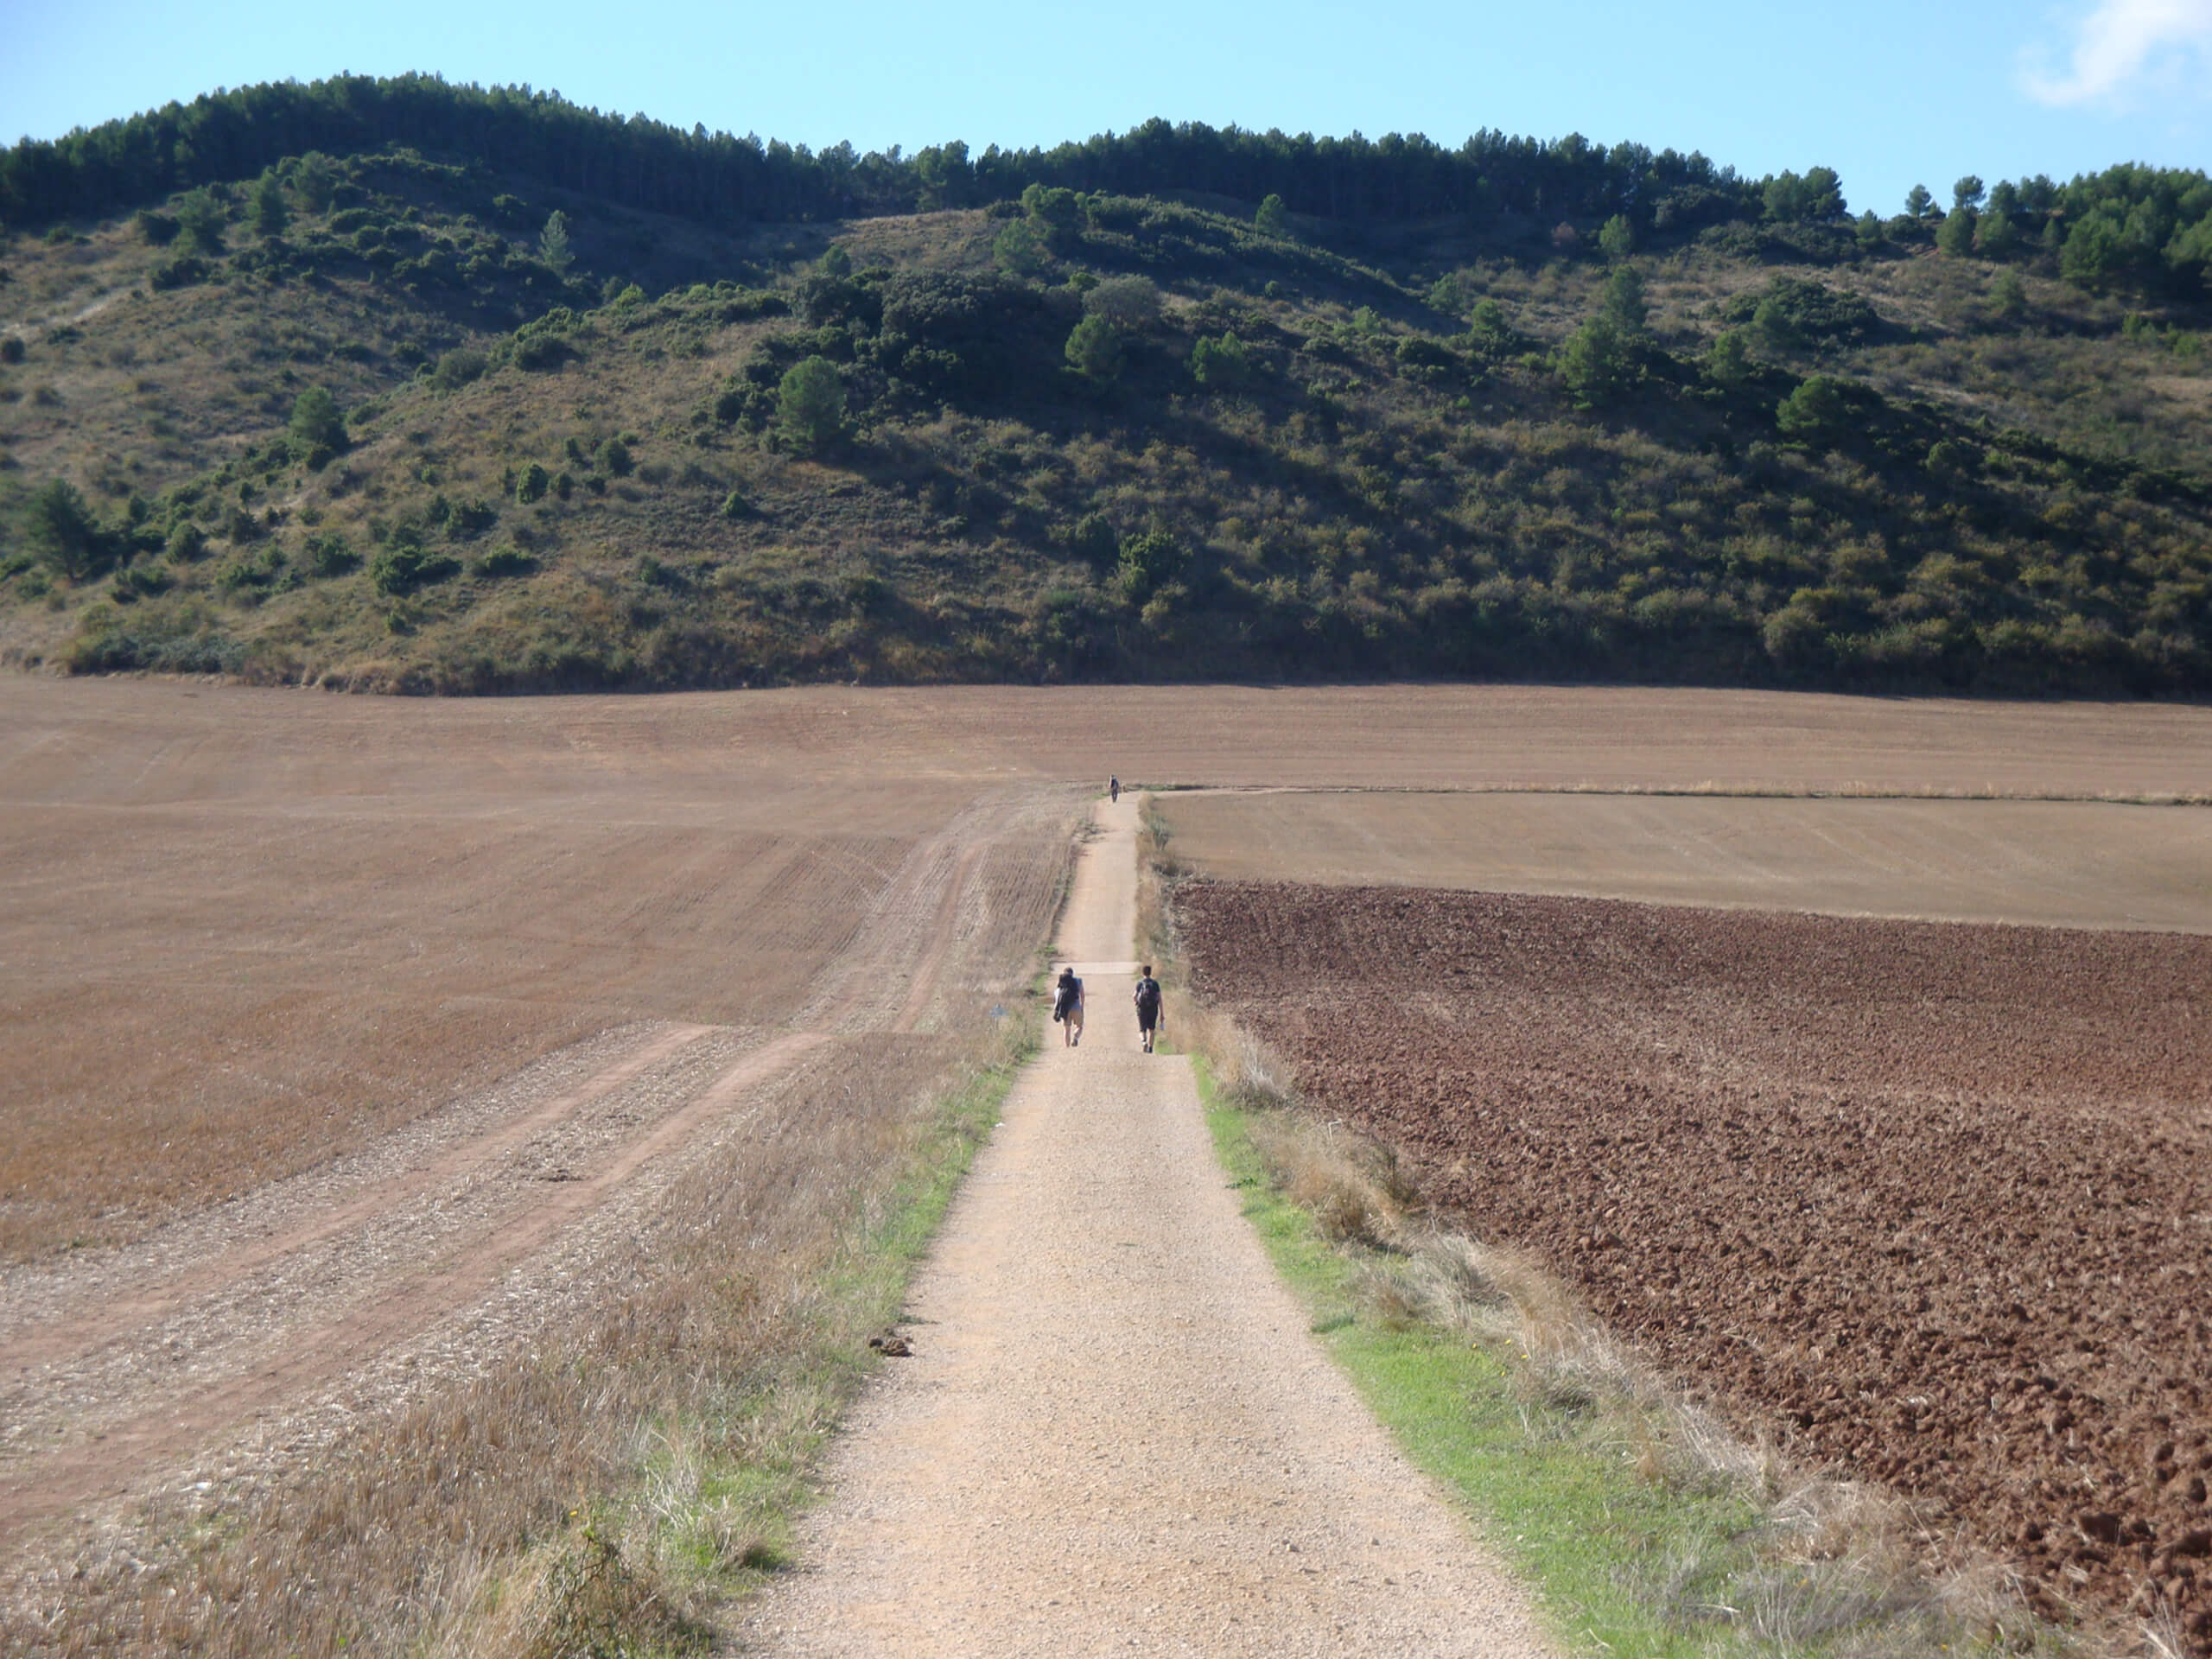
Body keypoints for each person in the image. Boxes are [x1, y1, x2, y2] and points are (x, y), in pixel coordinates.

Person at [1052, 965, 1085, 1047]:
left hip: (1065, 1009)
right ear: (1072, 974)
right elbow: (1082, 995)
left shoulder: (1061, 982)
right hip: (1076, 1008)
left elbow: (1057, 995)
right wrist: (1082, 1006)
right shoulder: (1078, 981)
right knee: (1079, 1027)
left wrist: (1056, 1009)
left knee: (1066, 1030)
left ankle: (1067, 1048)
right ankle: (1076, 1037)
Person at [1133, 964, 1162, 1053]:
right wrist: (1162, 1013)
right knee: (1152, 1030)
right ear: (1150, 972)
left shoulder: (1140, 984)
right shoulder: (1155, 984)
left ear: (1143, 973)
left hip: (1142, 1009)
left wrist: (1136, 1003)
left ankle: (1144, 1042)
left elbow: (1134, 996)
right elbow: (1159, 998)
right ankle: (1150, 1048)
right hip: (1153, 1009)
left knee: (1142, 1030)